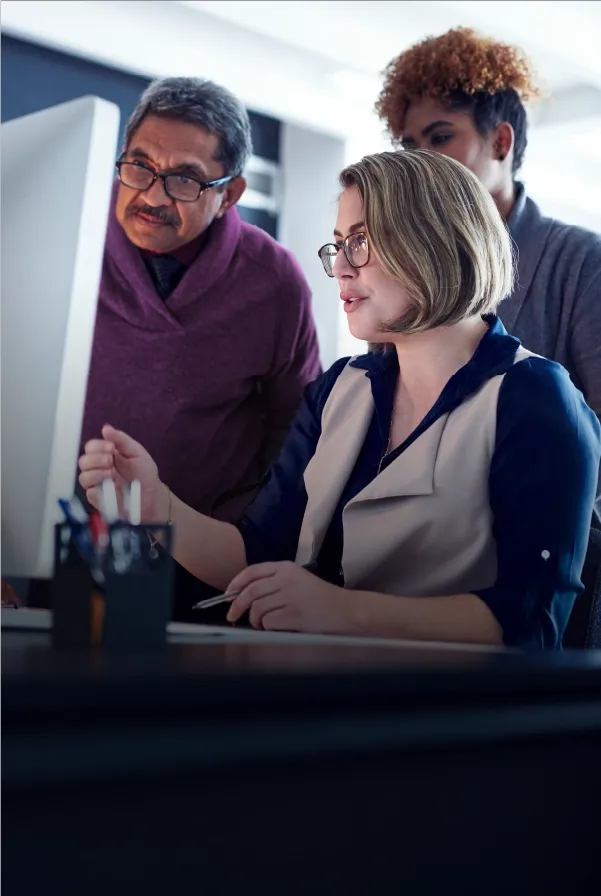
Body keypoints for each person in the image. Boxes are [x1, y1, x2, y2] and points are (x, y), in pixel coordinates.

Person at [79, 151, 601, 649]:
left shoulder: (536, 399)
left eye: (362, 241)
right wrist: (158, 505)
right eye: (338, 246)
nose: (342, 268)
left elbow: (530, 624)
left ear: (436, 241)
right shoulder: (339, 388)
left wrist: (338, 609)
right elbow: (258, 555)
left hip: (447, 704)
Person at [83, 76, 320, 524]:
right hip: (52, 527)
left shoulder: (275, 283)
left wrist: (247, 533)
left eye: (184, 179)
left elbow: (295, 429)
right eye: (140, 166)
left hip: (201, 544)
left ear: (228, 195)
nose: (153, 196)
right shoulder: (69, 226)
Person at [375, 27, 601, 425]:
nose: (421, 163)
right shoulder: (405, 268)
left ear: (500, 143)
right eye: (410, 147)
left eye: (440, 137)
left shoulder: (581, 264)